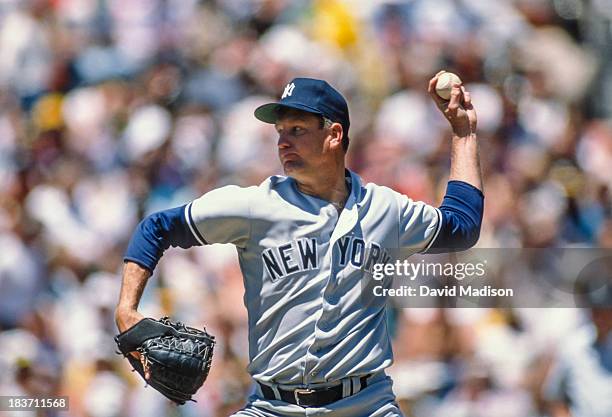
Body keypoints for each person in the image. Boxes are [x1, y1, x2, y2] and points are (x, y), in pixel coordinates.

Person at [115, 74, 484, 416]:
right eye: (280, 131)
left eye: (297, 129)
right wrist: (127, 311)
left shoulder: (387, 210)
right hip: (271, 405)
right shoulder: (254, 206)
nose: (283, 142)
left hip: (366, 404)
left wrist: (463, 133)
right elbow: (157, 226)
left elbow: (462, 226)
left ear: (334, 134)